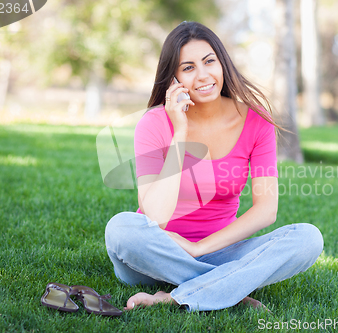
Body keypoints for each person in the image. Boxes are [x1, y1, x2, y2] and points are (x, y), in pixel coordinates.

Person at [104, 21, 323, 312]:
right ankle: (229, 288)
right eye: (188, 67)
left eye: (209, 61)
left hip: (221, 252)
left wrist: (199, 249)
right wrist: (179, 134)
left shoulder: (256, 122)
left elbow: (266, 210)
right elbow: (155, 215)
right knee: (120, 229)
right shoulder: (154, 124)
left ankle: (179, 295)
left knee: (308, 238)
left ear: (223, 64)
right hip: (156, 253)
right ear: (174, 78)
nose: (203, 75)